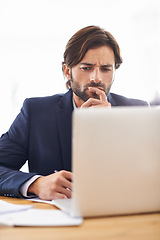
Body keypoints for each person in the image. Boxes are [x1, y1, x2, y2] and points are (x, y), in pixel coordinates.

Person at [0, 26, 148, 200]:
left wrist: (111, 128)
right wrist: (36, 183)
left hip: (120, 215)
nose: (96, 78)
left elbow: (148, 175)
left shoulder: (136, 111)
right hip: (57, 219)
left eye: (106, 69)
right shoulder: (35, 112)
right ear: (67, 71)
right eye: (86, 68)